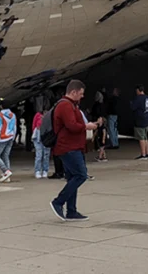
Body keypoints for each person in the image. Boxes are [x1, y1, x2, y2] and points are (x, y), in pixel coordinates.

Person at [49, 79, 97, 221]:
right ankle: (58, 201)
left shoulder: (70, 105)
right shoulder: (65, 106)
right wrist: (86, 126)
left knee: (73, 177)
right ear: (74, 92)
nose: (82, 96)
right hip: (68, 147)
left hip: (71, 146)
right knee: (81, 175)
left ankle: (71, 211)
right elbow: (72, 126)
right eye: (81, 94)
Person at [0, 98, 16, 182]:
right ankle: (7, 175)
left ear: (1, 106)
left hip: (2, 138)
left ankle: (6, 171)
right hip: (10, 137)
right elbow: (14, 127)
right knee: (6, 155)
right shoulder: (12, 115)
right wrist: (13, 137)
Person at [130, 86, 148, 160]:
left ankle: (143, 154)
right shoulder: (147, 98)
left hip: (140, 120)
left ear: (138, 90)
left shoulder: (138, 98)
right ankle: (147, 153)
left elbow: (133, 107)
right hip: (147, 119)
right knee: (145, 137)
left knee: (141, 137)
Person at [32, 110, 50, 179]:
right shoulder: (38, 115)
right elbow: (34, 125)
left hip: (47, 134)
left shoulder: (50, 115)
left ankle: (45, 170)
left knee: (46, 154)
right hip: (38, 134)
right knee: (39, 154)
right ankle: (37, 170)